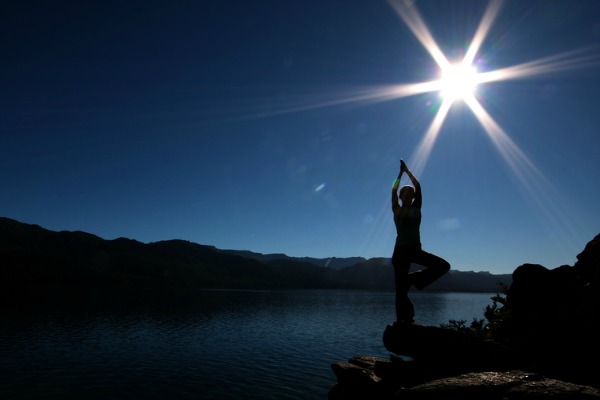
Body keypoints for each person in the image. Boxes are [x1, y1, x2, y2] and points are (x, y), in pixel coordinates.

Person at [391, 159, 450, 324]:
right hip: (400, 251)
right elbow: (393, 190)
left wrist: (407, 171)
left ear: (413, 197)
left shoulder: (416, 208)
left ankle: (414, 279)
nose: (408, 195)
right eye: (405, 193)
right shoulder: (397, 209)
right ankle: (404, 321)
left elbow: (418, 187)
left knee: (443, 266)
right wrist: (400, 174)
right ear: (402, 196)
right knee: (400, 291)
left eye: (410, 193)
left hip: (414, 249)